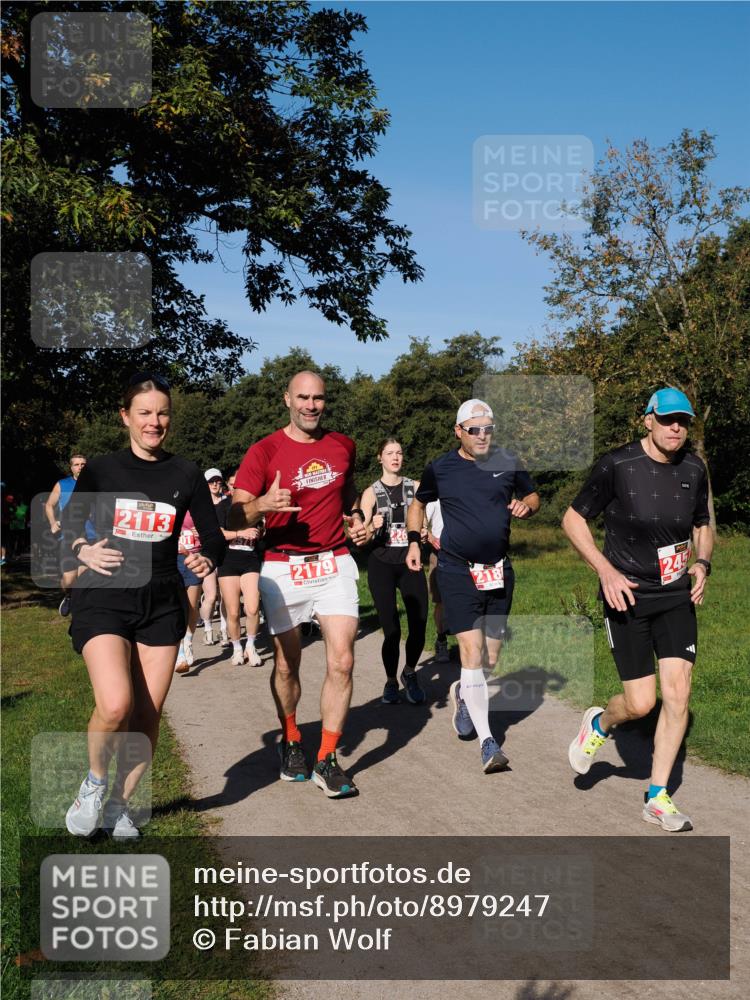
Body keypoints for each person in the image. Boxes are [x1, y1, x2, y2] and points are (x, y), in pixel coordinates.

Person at [61, 373, 225, 838]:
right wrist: (82, 549)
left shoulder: (186, 473)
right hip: (105, 595)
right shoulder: (102, 469)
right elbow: (68, 525)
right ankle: (93, 785)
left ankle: (119, 806)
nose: (155, 422)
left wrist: (206, 554)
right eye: (145, 413)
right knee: (116, 705)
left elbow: (212, 534)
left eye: (163, 412)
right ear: (126, 417)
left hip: (162, 600)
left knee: (147, 717)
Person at [563, 387, 712, 832]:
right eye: (667, 419)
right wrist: (605, 571)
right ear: (646, 420)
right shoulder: (617, 465)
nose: (675, 428)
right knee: (641, 703)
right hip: (625, 593)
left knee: (679, 692)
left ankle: (657, 795)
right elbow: (573, 518)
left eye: (683, 421)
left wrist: (703, 562)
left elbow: (704, 522)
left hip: (675, 594)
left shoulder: (694, 468)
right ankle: (599, 723)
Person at [229, 370, 367, 798]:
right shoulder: (264, 450)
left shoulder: (343, 445)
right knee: (288, 663)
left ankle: (327, 758)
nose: (311, 405)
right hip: (283, 566)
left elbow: (347, 498)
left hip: (334, 562)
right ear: (286, 398)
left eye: (319, 398)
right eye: (303, 397)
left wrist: (357, 521)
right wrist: (262, 505)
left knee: (342, 661)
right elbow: (233, 518)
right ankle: (291, 739)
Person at [406, 399, 540, 773]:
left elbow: (533, 496)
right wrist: (415, 540)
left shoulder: (507, 462)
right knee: (471, 651)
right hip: (456, 569)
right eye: (475, 429)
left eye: (488, 428)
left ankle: (465, 695)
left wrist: (527, 506)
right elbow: (417, 505)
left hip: (498, 570)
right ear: (459, 431)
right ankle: (487, 742)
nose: (483, 435)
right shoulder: (441, 468)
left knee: (490, 660)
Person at [360, 438, 429, 705]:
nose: (395, 457)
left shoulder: (416, 487)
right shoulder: (370, 493)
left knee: (419, 622)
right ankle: (390, 681)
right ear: (380, 458)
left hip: (410, 561)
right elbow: (360, 537)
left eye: (399, 452)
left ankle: (409, 671)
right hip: (382, 563)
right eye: (389, 453)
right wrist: (370, 525)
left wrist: (425, 532)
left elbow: (428, 521)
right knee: (391, 629)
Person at [216, 471, 264, 667]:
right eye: (234, 486)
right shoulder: (222, 507)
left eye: (241, 486)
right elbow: (217, 533)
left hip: (250, 559)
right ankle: (237, 648)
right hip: (228, 561)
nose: (238, 489)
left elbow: (262, 530)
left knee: (252, 608)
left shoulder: (255, 507)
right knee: (233, 612)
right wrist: (240, 532)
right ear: (228, 487)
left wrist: (259, 532)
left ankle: (250, 646)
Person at [44, 453, 87, 614]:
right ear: (71, 467)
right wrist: (53, 523)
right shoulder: (62, 484)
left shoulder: (95, 484)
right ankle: (68, 596)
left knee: (84, 577)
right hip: (68, 536)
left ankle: (81, 609)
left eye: (83, 464)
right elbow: (49, 505)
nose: (80, 467)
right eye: (77, 464)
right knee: (70, 579)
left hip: (89, 536)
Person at [198, 468, 229, 646]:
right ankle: (208, 629)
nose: (216, 484)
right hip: (206, 553)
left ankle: (224, 629)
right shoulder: (200, 505)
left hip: (225, 553)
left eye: (218, 481)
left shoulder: (228, 503)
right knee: (210, 596)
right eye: (211, 482)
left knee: (226, 596)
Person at [174, 507, 203, 674]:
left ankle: (188, 641)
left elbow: (210, 531)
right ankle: (180, 653)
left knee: (192, 607)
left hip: (193, 557)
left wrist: (200, 533)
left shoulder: (196, 505)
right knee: (178, 607)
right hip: (172, 559)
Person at [425, 499, 450, 662]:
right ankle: (441, 640)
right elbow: (420, 523)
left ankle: (470, 646)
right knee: (441, 602)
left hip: (465, 553)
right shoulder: (434, 498)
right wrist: (430, 537)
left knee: (468, 601)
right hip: (440, 553)